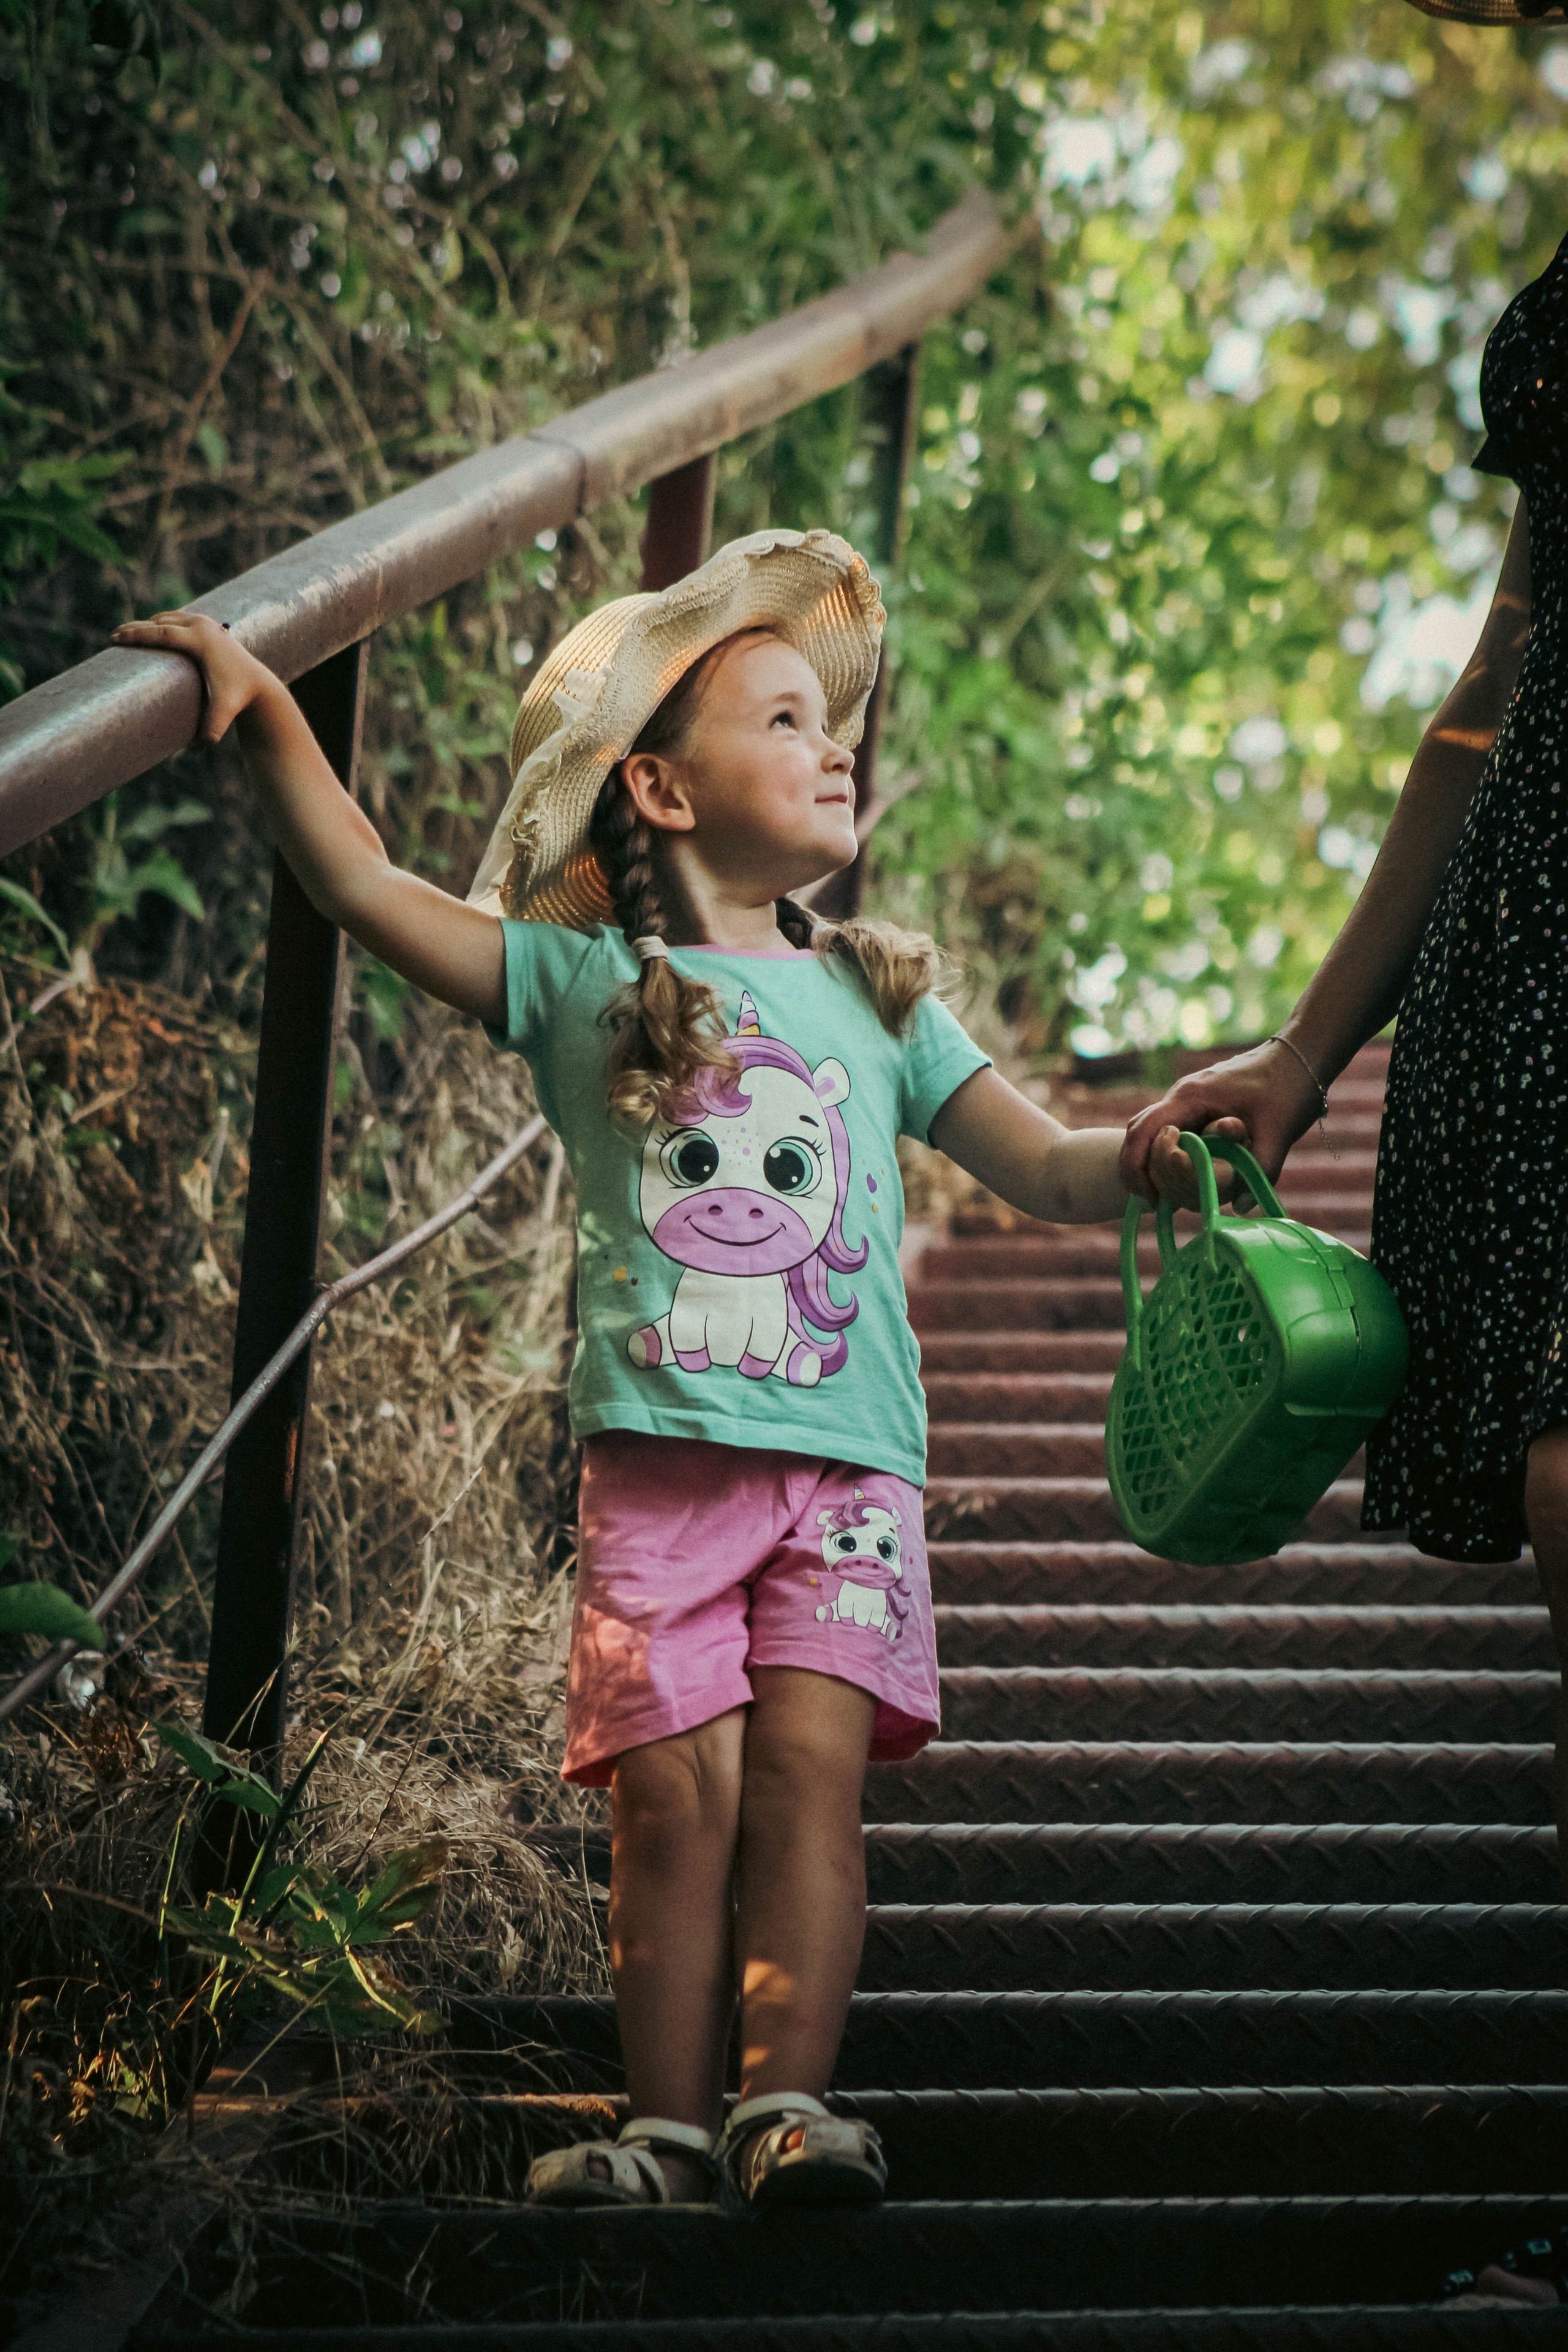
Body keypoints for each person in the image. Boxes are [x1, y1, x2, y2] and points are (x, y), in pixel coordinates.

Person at [113, 528, 1196, 2213]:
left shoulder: (879, 995)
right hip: (661, 1474)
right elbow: (368, 889)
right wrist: (263, 712)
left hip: (844, 1475)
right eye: (782, 717)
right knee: (675, 1805)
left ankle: (790, 2110)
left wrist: (1149, 1155)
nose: (834, 743)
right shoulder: (586, 985)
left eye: (836, 724)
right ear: (666, 794)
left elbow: (1045, 1167)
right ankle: (669, 2128)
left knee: (811, 1788)